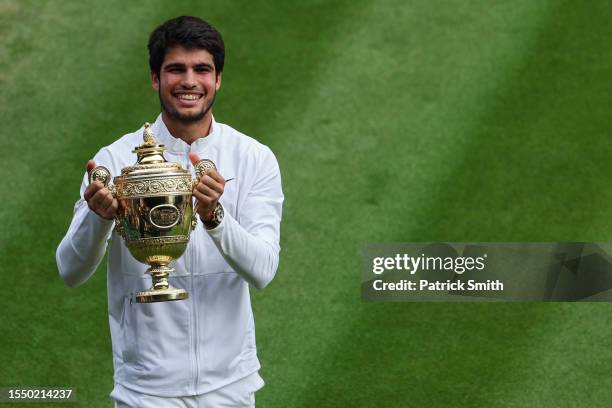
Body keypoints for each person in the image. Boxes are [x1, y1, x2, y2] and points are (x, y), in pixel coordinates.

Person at [56, 16, 283, 407]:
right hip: (145, 392)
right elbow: (70, 271)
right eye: (175, 69)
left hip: (230, 388)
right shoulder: (114, 160)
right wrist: (99, 218)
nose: (189, 81)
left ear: (218, 79)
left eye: (202, 69)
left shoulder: (254, 159)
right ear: (155, 79)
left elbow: (263, 269)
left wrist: (215, 217)